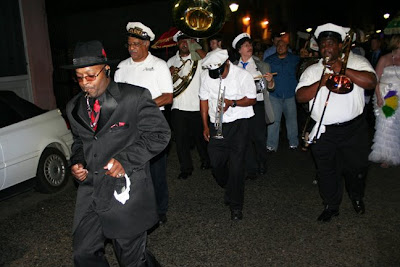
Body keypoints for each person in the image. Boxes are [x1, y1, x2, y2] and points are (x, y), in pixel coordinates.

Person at [63, 40, 171, 266]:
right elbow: (80, 142)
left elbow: (160, 135)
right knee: (83, 254)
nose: (85, 83)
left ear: (106, 69)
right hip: (91, 191)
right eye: (79, 77)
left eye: (91, 75)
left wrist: (125, 159)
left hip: (125, 191)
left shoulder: (134, 97)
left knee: (131, 259)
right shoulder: (73, 107)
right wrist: (77, 161)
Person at [296, 23, 377, 222]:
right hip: (324, 131)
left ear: (341, 46)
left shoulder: (357, 61)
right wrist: (321, 82)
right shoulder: (312, 70)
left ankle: (356, 197)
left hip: (353, 129)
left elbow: (371, 82)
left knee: (357, 168)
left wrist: (344, 69)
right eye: (323, 45)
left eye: (331, 44)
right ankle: (331, 205)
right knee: (326, 171)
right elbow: (300, 96)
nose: (327, 49)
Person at [114, 22, 173, 224]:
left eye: (136, 44)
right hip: (128, 126)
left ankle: (160, 208)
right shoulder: (122, 67)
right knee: (131, 167)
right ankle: (135, 206)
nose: (132, 48)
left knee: (156, 169)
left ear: (147, 44)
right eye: (129, 44)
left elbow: (167, 97)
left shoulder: (159, 65)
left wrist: (140, 106)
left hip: (152, 124)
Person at [199, 49, 257, 221]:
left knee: (237, 166)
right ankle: (229, 185)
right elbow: (203, 100)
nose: (218, 76)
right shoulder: (207, 76)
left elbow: (252, 99)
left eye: (220, 72)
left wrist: (233, 103)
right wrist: (205, 126)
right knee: (216, 163)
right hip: (217, 124)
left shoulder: (242, 75)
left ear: (227, 63)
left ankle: (236, 206)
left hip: (239, 124)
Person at [167, 31, 210, 179]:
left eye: (187, 41)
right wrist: (169, 74)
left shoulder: (198, 58)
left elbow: (210, 61)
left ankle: (206, 160)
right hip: (178, 107)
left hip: (197, 106)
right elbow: (165, 87)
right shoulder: (170, 61)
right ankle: (186, 168)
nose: (184, 44)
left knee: (201, 138)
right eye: (181, 41)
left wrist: (195, 46)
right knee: (181, 141)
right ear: (177, 43)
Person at [231, 33, 275, 179]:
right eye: (245, 45)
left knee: (259, 137)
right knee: (245, 137)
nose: (249, 47)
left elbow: (270, 88)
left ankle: (262, 163)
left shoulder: (261, 65)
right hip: (241, 106)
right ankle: (251, 168)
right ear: (239, 50)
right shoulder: (232, 68)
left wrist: (270, 81)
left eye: (250, 45)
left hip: (257, 104)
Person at [368, 34, 400, 168]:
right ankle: (386, 155)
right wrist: (379, 98)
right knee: (387, 125)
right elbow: (375, 79)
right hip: (388, 95)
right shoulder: (385, 59)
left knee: (397, 125)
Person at [265, 40, 300, 151]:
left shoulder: (295, 59)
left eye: (283, 45)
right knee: (274, 121)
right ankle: (271, 145)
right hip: (275, 95)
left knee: (292, 121)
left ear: (287, 47)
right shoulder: (269, 60)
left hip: (290, 95)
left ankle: (294, 143)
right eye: (278, 45)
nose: (280, 47)